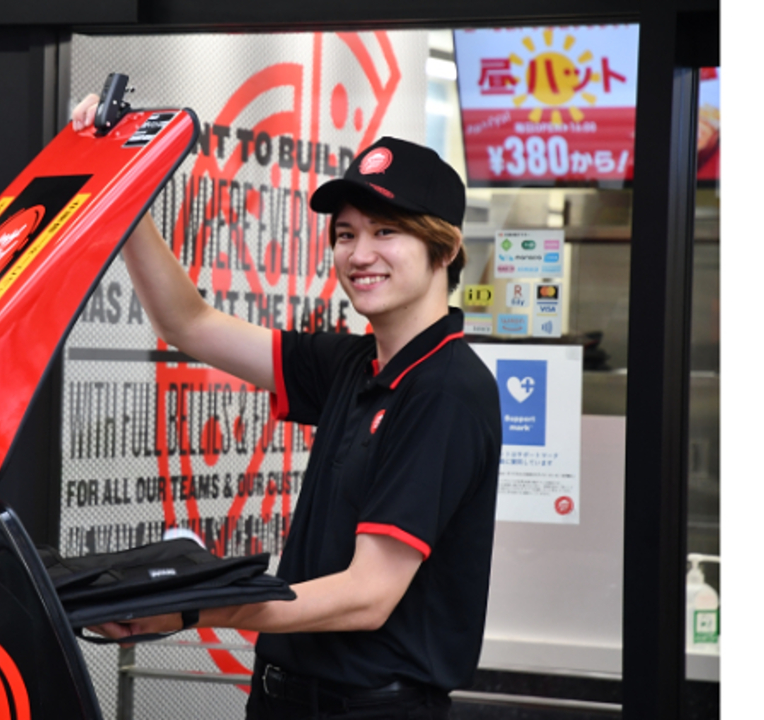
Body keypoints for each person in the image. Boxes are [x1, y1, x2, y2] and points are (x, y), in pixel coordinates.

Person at [71, 95, 502, 720]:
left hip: (370, 710)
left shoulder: (446, 390)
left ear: (445, 249)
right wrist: (126, 181)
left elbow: (368, 596)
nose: (359, 255)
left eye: (386, 231)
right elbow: (188, 322)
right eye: (346, 234)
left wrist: (187, 608)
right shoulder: (355, 364)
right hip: (280, 699)